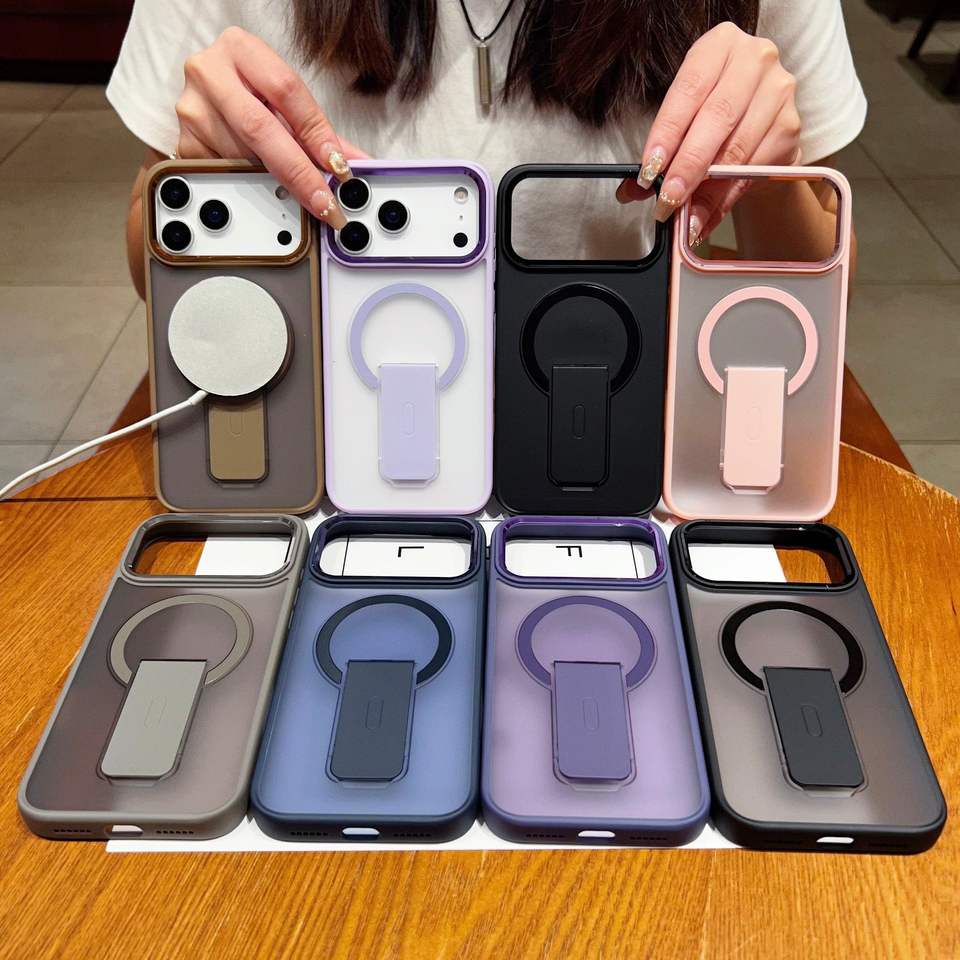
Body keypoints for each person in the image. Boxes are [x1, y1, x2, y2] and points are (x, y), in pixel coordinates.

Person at [109, 0, 864, 298]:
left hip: (623, 425)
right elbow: (151, 267)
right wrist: (201, 180)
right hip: (321, 434)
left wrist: (764, 177)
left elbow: (821, 287)